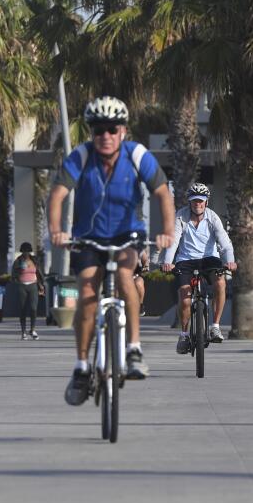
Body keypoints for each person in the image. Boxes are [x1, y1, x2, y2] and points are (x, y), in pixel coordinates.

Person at [48, 96, 175, 405]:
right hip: (89, 237)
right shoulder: (81, 157)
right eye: (98, 129)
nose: (105, 136)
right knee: (87, 295)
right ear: (92, 133)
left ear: (123, 131)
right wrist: (55, 231)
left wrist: (167, 231)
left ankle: (133, 349)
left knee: (126, 280)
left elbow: (161, 192)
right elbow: (57, 194)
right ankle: (81, 367)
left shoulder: (137, 155)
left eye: (112, 129)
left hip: (126, 234)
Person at [161, 183, 238, 351]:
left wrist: (230, 261)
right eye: (195, 201)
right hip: (186, 259)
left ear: (206, 203)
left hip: (209, 259)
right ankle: (184, 335)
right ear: (189, 202)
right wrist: (168, 262)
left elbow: (225, 243)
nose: (198, 204)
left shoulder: (212, 218)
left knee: (220, 283)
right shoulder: (181, 217)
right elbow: (173, 241)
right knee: (185, 295)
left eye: (201, 201)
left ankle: (215, 326)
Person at [12, 242, 45, 339]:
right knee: (23, 309)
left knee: (33, 308)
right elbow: (13, 275)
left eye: (28, 251)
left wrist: (40, 285)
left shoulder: (34, 260)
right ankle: (23, 332)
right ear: (22, 252)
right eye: (24, 251)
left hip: (33, 285)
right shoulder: (18, 261)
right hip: (22, 286)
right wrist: (20, 270)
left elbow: (39, 273)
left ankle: (33, 330)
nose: (26, 253)